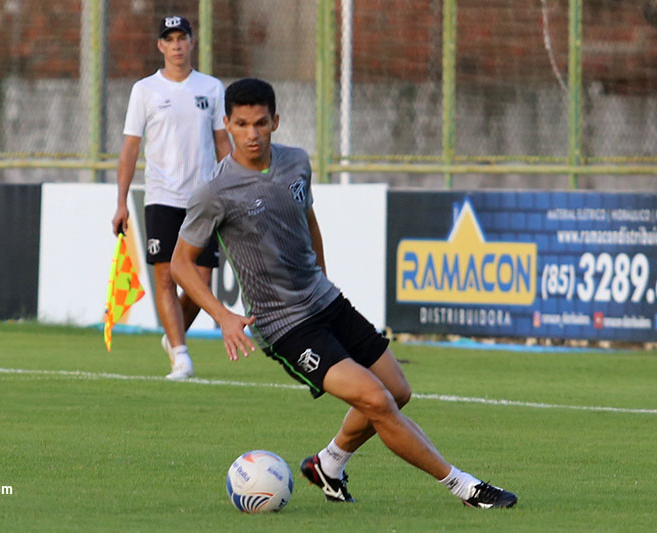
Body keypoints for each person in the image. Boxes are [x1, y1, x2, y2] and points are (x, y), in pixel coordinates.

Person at [170, 78, 518, 508]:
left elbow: (308, 221)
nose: (252, 134)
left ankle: (328, 464)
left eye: (260, 123)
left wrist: (322, 277)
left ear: (275, 121)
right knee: (376, 400)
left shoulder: (296, 162)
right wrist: (222, 316)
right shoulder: (215, 193)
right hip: (284, 326)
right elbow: (180, 264)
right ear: (226, 124)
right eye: (241, 124)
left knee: (398, 391)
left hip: (326, 301)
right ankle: (465, 486)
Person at [112, 15, 231, 380]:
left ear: (192, 43)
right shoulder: (145, 90)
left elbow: (223, 142)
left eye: (183, 37)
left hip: (204, 197)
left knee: (200, 283)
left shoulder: (211, 88)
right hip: (162, 196)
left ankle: (171, 335)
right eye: (170, 39)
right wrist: (120, 201)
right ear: (160, 46)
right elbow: (131, 148)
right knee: (165, 277)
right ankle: (181, 355)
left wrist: (234, 187)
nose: (177, 45)